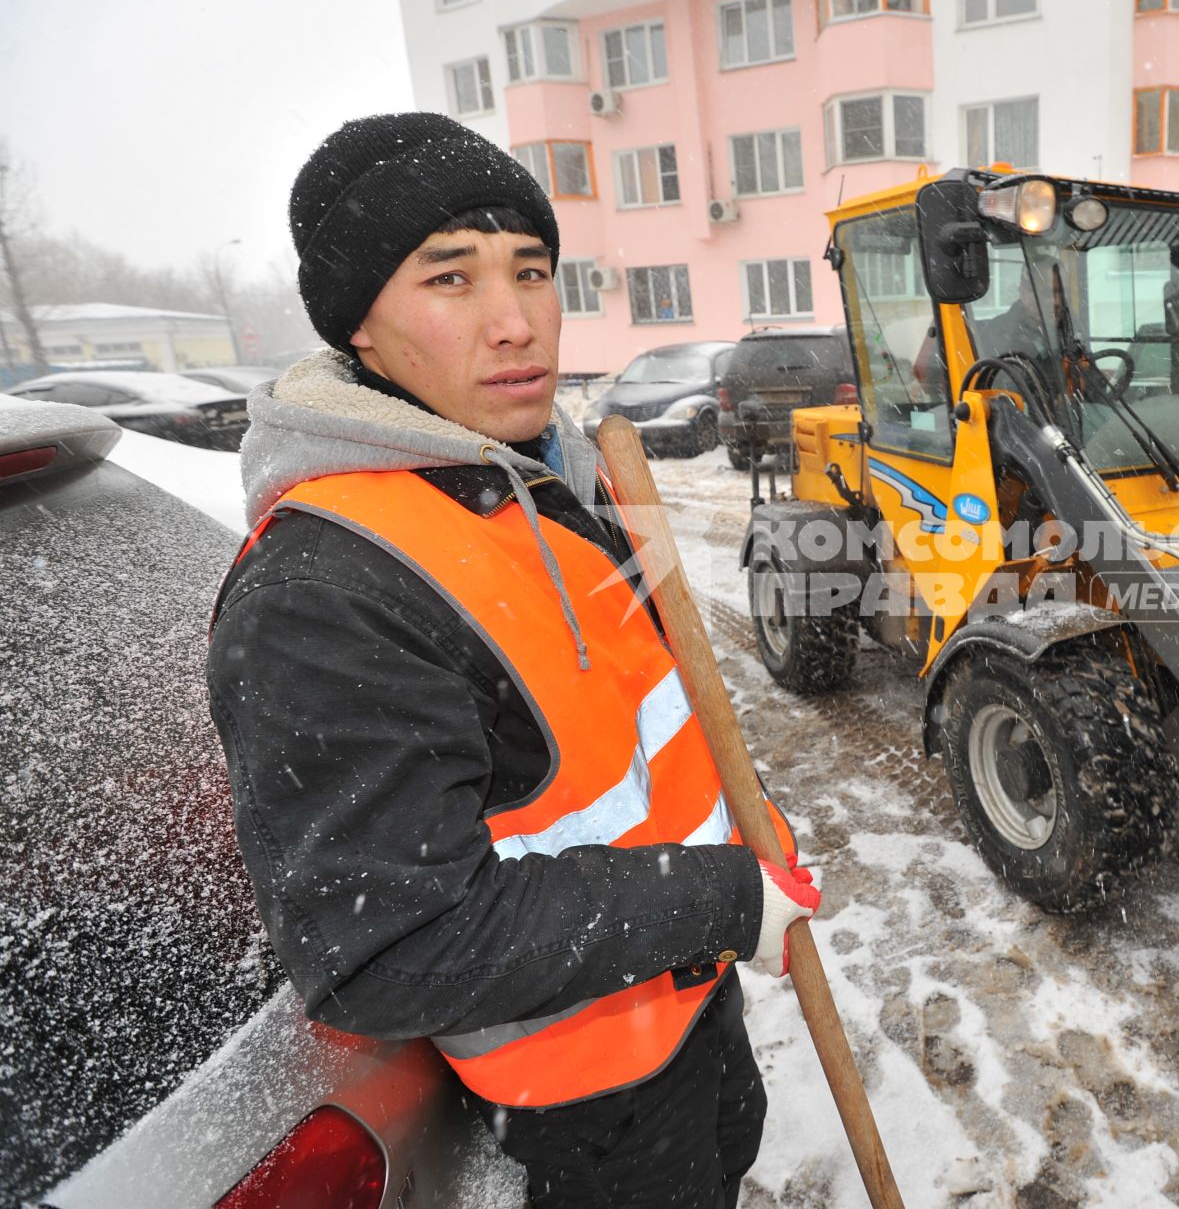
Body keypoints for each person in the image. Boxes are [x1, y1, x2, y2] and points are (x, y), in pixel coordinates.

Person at [205, 112, 820, 1208]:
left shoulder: (542, 476)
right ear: (362, 329)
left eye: (531, 271)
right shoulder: (322, 592)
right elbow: (390, 943)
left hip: (685, 1014)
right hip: (582, 1110)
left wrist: (740, 824)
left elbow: (636, 713)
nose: (514, 322)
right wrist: (721, 899)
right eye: (449, 279)